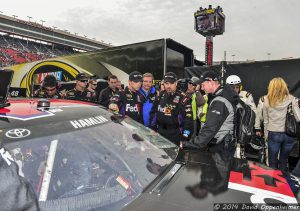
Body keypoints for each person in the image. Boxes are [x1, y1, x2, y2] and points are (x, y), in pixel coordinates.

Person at [186, 71, 239, 156]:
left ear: (211, 82)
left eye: (203, 85)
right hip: (223, 144)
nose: (202, 88)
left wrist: (191, 144)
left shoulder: (220, 101)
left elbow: (210, 128)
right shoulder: (221, 96)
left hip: (221, 147)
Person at [254, 77, 300, 172]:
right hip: (289, 135)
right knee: (283, 161)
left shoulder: (266, 100)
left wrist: (266, 136)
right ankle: (283, 184)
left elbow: (266, 121)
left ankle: (272, 183)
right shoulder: (292, 99)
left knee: (272, 163)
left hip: (274, 134)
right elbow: (298, 118)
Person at [154, 72, 193, 145]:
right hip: (160, 133)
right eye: (166, 83)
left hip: (175, 134)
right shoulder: (160, 95)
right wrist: (152, 129)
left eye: (171, 83)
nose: (168, 86)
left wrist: (185, 138)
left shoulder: (183, 98)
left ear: (176, 83)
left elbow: (188, 120)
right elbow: (154, 113)